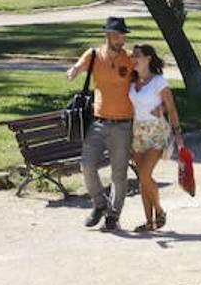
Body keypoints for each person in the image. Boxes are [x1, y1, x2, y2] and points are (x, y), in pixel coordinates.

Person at [67, 16, 135, 232]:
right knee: (86, 165)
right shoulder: (94, 55)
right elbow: (78, 66)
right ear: (108, 35)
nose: (121, 39)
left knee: (119, 174)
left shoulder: (130, 59)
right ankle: (99, 204)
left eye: (123, 35)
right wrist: (75, 70)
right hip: (98, 122)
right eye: (117, 35)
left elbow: (145, 76)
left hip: (123, 124)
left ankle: (113, 216)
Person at [128, 44, 184, 232]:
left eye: (137, 55)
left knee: (145, 174)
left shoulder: (158, 82)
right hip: (137, 133)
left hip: (156, 132)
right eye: (132, 55)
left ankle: (159, 211)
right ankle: (149, 222)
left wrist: (179, 137)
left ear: (148, 58)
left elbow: (172, 108)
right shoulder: (131, 80)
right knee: (143, 179)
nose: (133, 58)